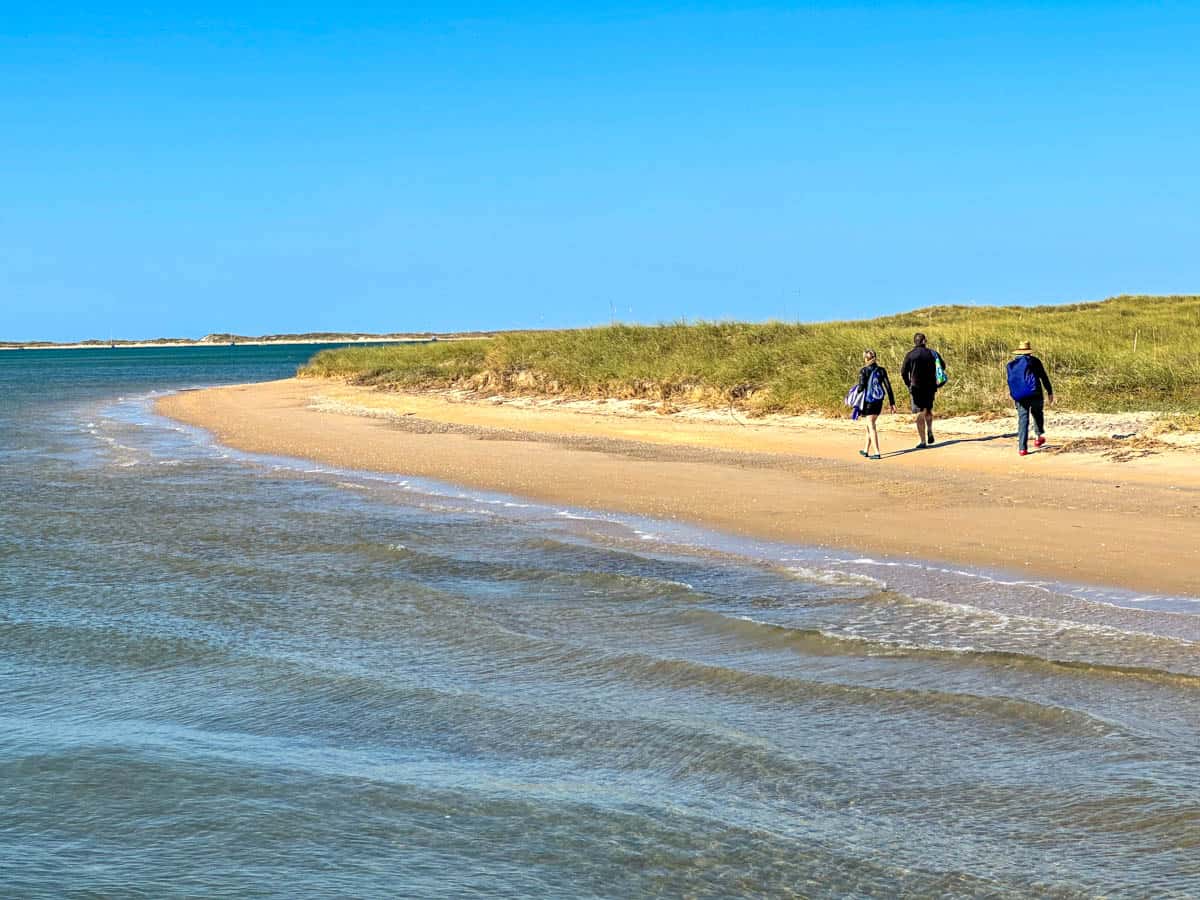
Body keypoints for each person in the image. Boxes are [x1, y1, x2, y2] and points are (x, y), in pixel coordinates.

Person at [1007, 340, 1054, 456]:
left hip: (1020, 396)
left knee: (1023, 420)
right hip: (1035, 394)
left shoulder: (1012, 365)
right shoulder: (1035, 361)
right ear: (1029, 351)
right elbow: (1043, 377)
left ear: (1018, 351)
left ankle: (1022, 448)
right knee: (1037, 413)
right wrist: (1050, 391)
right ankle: (1038, 438)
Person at [855, 349, 896, 460]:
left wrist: (855, 391)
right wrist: (892, 403)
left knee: (871, 426)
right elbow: (888, 387)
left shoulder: (863, 371)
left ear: (865, 359)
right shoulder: (881, 370)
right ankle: (865, 450)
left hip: (868, 402)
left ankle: (877, 452)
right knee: (869, 425)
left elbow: (861, 387)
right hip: (879, 401)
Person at [900, 332, 939, 448]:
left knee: (920, 412)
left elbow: (903, 372)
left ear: (915, 342)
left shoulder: (910, 355)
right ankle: (930, 429)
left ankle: (923, 441)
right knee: (928, 409)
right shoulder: (932, 353)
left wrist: (908, 384)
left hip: (916, 387)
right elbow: (942, 366)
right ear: (924, 341)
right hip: (931, 386)